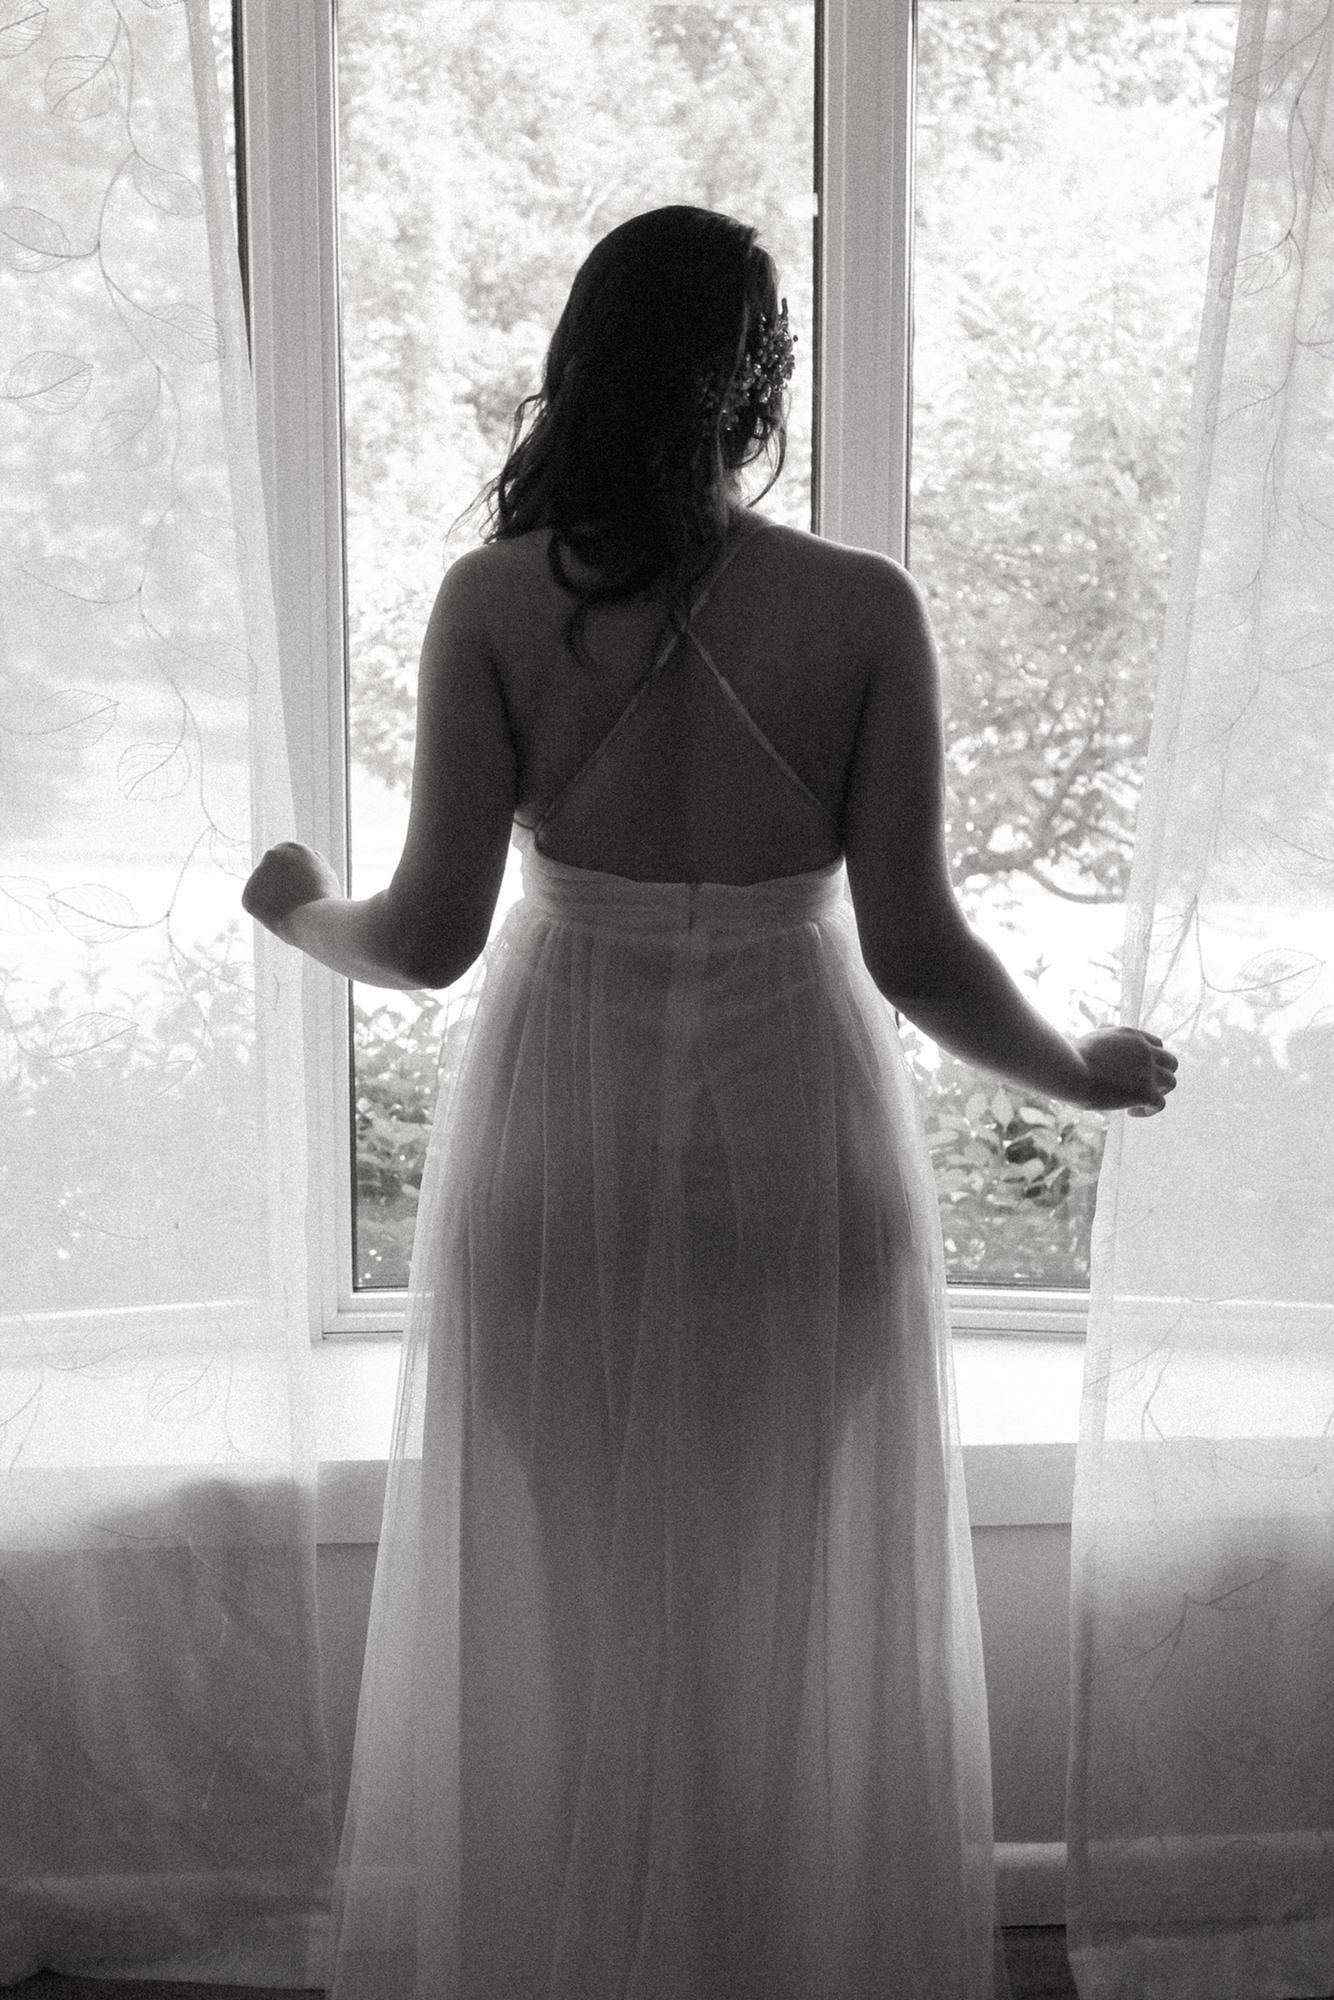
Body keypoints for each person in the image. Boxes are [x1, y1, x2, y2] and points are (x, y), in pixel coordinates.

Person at [243, 206, 1177, 2000]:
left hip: (563, 1152)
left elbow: (425, 940)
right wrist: (1079, 1071)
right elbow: (916, 953)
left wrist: (296, 913)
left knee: (589, 1622)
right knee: (776, 1621)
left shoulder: (494, 602)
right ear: (756, 381)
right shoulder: (859, 610)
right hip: (796, 1153)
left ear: (581, 364)